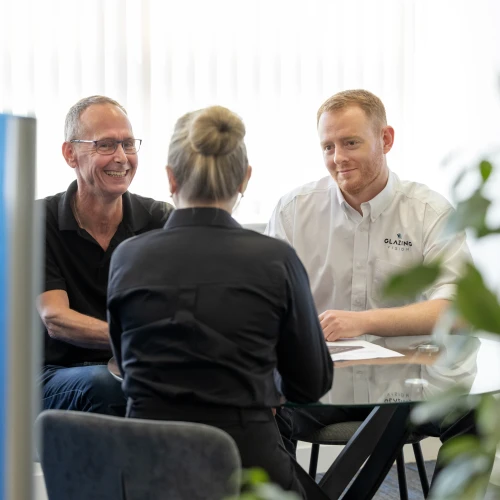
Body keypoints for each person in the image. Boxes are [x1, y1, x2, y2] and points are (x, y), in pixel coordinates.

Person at [107, 105, 334, 498]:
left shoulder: (127, 256)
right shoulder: (275, 259)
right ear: (245, 178)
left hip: (145, 473)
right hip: (248, 473)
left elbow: (127, 363)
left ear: (170, 178)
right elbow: (310, 383)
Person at [265, 89, 474, 485]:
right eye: (327, 146)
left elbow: (457, 310)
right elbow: (267, 306)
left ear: (386, 139)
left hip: (412, 387)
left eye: (350, 143)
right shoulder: (295, 210)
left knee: (474, 415)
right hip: (316, 385)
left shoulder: (429, 212)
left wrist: (362, 322)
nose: (338, 158)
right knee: (258, 417)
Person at [37, 95, 174, 416]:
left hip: (137, 366)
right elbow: (56, 319)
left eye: (128, 144)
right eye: (106, 145)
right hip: (56, 373)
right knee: (107, 384)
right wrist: (139, 339)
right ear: (70, 153)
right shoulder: (39, 219)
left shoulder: (159, 219)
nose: (122, 158)